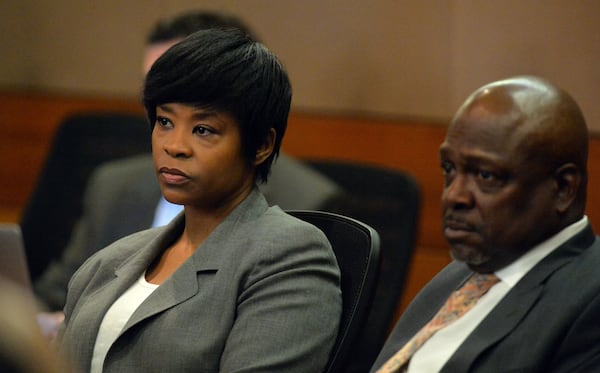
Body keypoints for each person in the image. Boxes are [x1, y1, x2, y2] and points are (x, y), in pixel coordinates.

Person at [57, 28, 342, 373]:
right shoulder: (110, 261)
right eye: (164, 121)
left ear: (261, 145)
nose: (174, 145)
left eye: (203, 129)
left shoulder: (288, 254)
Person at [370, 76, 600, 372]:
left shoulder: (588, 296)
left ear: (562, 188)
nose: (453, 195)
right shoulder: (462, 274)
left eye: (486, 176)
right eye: (449, 169)